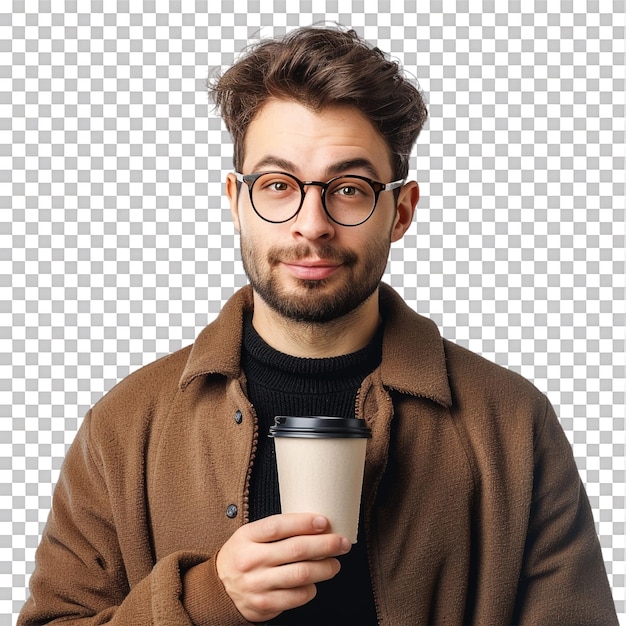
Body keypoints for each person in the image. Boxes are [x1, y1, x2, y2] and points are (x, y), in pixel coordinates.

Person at [18, 25, 618, 626]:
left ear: (401, 211)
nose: (312, 224)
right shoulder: (124, 425)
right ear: (235, 201)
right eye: (278, 186)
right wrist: (206, 600)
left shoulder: (512, 424)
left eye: (349, 189)